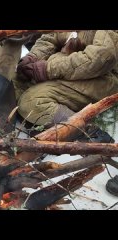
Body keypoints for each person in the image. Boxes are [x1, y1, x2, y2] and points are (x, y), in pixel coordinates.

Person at [16, 30, 118, 196]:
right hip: (69, 67)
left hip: (103, 76)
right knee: (16, 82)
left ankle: (90, 134)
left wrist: (48, 68)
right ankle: (35, 137)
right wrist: (32, 58)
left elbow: (102, 57)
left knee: (34, 100)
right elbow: (50, 37)